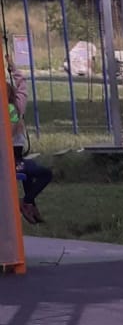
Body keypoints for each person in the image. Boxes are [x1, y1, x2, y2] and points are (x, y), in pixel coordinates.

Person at [7, 78, 52, 224]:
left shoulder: (13, 109)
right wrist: (16, 125)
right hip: (12, 163)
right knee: (45, 173)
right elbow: (8, 135)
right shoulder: (11, 110)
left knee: (29, 169)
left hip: (16, 160)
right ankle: (26, 202)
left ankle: (30, 205)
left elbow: (22, 87)